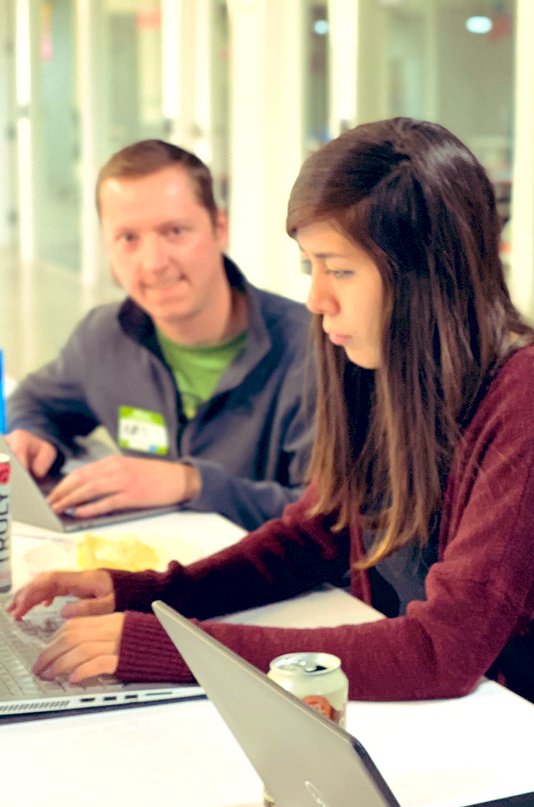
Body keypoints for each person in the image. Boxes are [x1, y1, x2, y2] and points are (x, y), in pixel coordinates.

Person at [7, 118, 534, 754]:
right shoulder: (375, 357)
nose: (315, 298)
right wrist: (149, 595)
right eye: (311, 267)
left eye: (339, 270)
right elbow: (316, 531)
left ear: (421, 272)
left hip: (530, 748)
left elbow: (443, 651)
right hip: (408, 722)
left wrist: (175, 647)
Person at [4, 140, 312, 531]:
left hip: (284, 587)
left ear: (220, 228)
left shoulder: (312, 351)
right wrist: (34, 435)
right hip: (152, 576)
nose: (153, 263)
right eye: (128, 238)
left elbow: (333, 520)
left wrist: (190, 483)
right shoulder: (104, 337)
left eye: (175, 231)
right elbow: (35, 399)